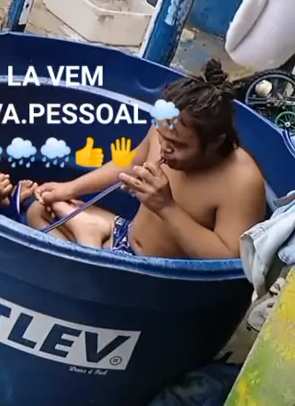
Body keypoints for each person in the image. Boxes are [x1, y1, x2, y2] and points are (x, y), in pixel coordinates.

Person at [27, 61, 267, 259]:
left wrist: (166, 207)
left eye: (179, 145)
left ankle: (90, 252)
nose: (165, 149)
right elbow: (131, 163)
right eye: (162, 137)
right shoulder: (168, 125)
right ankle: (92, 240)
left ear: (215, 141)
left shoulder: (241, 180)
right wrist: (69, 188)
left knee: (92, 274)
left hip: (152, 276)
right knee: (38, 210)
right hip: (125, 236)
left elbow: (228, 258)